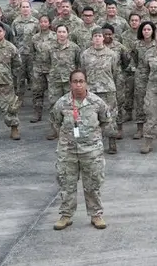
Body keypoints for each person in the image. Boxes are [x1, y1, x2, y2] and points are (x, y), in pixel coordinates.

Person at [50, 70, 111, 230]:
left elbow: (105, 121)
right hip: (68, 150)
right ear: (70, 83)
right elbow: (56, 122)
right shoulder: (62, 103)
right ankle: (66, 215)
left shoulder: (96, 102)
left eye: (81, 81)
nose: (78, 84)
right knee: (66, 183)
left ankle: (96, 215)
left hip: (91, 151)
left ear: (86, 83)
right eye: (75, 81)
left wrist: (91, 138)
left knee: (92, 183)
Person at [80, 29, 121, 154]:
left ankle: (112, 142)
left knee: (110, 116)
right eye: (95, 36)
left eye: (99, 36)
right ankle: (93, 143)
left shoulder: (112, 54)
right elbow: (83, 71)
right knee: (90, 117)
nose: (97, 38)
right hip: (91, 90)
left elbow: (114, 72)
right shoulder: (85, 54)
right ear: (92, 39)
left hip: (107, 89)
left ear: (103, 38)